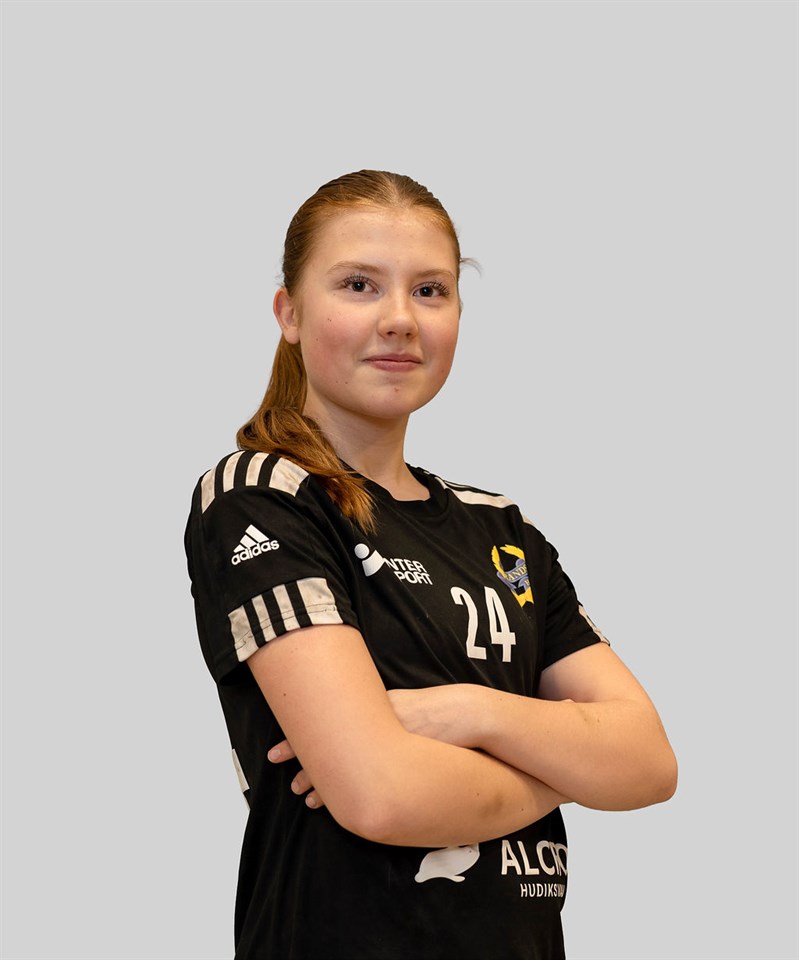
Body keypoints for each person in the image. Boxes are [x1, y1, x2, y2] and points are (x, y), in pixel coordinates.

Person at [184, 170, 677, 960]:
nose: (398, 319)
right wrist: (568, 769)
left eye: (429, 290)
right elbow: (381, 796)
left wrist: (470, 714)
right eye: (357, 285)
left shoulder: (502, 529)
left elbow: (647, 762)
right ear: (289, 313)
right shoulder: (264, 497)